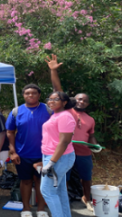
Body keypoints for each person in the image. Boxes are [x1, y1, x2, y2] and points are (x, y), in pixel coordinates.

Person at [46, 54, 97, 211]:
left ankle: (86, 199)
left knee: (86, 178)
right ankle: (64, 201)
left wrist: (95, 145)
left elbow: (91, 135)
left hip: (83, 152)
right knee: (63, 178)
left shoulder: (90, 119)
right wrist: (53, 71)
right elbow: (57, 90)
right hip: (67, 151)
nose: (81, 101)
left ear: (88, 104)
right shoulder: (67, 112)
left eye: (84, 100)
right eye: (79, 99)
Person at [5, 84, 50, 217]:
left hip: (44, 154)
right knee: (25, 181)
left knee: (41, 181)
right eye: (27, 93)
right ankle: (26, 209)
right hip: (23, 154)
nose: (30, 95)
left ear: (39, 95)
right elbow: (10, 132)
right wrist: (13, 152)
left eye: (34, 93)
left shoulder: (48, 110)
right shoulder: (16, 111)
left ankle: (41, 209)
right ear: (23, 95)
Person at [40, 92, 76, 217]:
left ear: (64, 102)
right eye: (49, 99)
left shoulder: (65, 116)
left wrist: (51, 163)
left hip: (59, 158)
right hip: (53, 156)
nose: (51, 101)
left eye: (55, 99)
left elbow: (65, 141)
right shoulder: (56, 114)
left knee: (47, 191)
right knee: (60, 191)